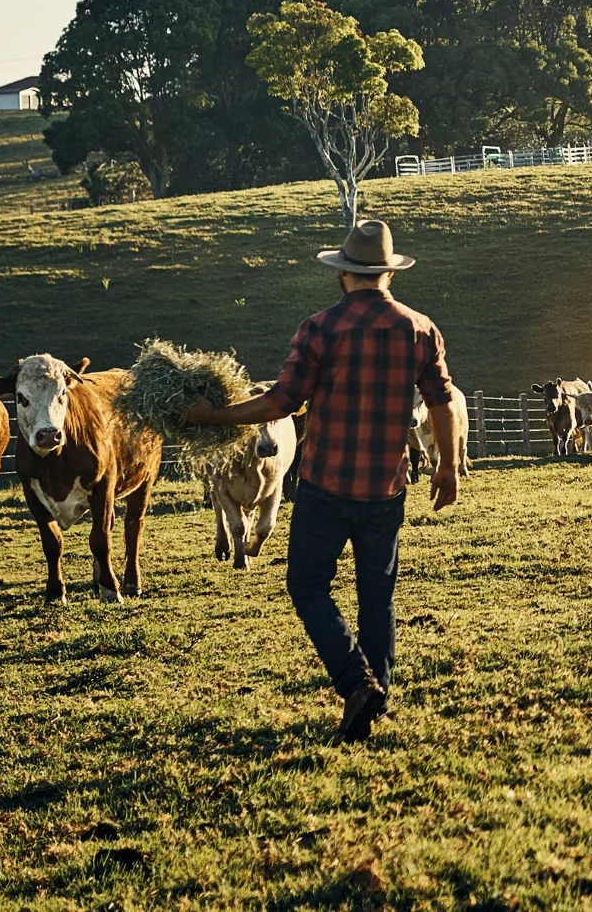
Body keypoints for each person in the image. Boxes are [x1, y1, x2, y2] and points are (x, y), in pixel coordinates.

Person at [181, 219, 460, 741]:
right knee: (376, 596)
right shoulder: (420, 329)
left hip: (326, 485)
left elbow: (282, 402)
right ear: (388, 274)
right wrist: (447, 466)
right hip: (385, 487)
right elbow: (443, 400)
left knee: (307, 585)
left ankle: (357, 684)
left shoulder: (319, 328)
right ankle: (374, 696)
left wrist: (211, 418)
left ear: (343, 274)